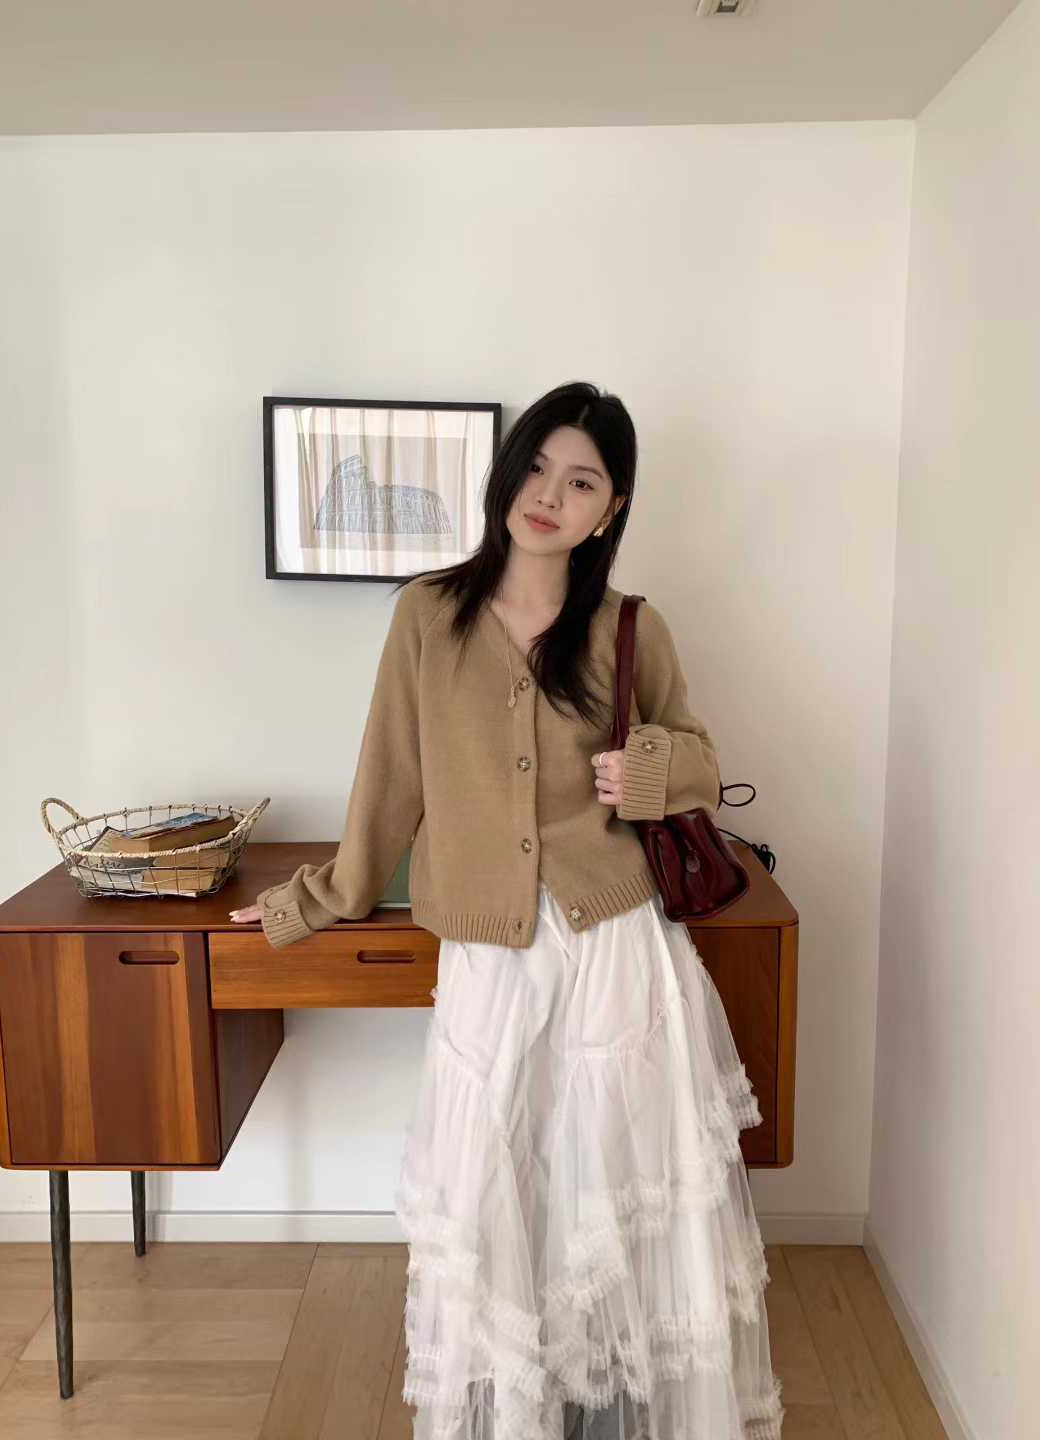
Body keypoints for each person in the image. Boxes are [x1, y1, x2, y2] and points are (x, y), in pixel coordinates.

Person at [229, 381, 784, 1440]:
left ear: (610, 510)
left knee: (610, 1186)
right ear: (507, 471)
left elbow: (704, 761)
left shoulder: (629, 627)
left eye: (581, 483)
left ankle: (615, 1403)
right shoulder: (427, 616)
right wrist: (316, 901)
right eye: (536, 467)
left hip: (615, 944)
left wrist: (649, 771)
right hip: (491, 951)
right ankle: (523, 1406)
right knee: (502, 1186)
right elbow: (390, 783)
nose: (548, 495)